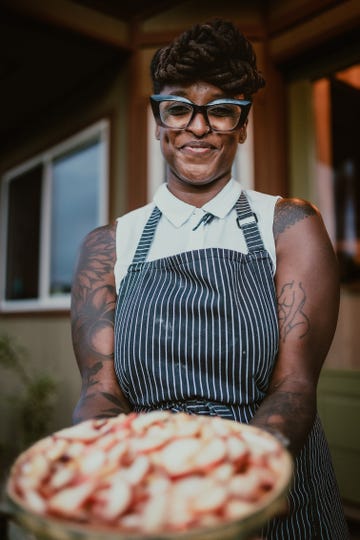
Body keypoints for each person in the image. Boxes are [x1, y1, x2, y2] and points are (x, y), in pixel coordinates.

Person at [70, 19, 349, 539]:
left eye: (220, 110)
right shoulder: (107, 246)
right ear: (158, 120)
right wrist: (109, 466)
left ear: (242, 124)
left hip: (273, 488)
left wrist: (241, 476)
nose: (198, 127)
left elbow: (293, 386)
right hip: (154, 494)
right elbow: (99, 390)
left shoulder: (289, 225)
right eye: (178, 108)